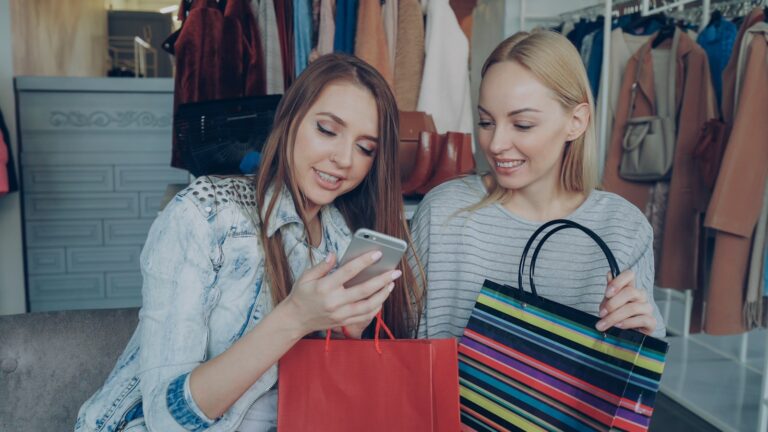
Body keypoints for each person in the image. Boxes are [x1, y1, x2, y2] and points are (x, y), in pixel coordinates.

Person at [76, 53, 423, 432]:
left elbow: (326, 395)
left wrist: (347, 333)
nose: (344, 159)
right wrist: (294, 317)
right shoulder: (204, 215)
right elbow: (167, 419)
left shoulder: (342, 237)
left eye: (365, 148)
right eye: (327, 129)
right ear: (289, 119)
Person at [410, 31, 665, 341]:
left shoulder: (623, 227)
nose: (496, 144)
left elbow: (638, 356)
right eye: (486, 122)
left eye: (522, 124)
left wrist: (640, 335)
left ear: (576, 122)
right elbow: (395, 341)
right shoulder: (442, 212)